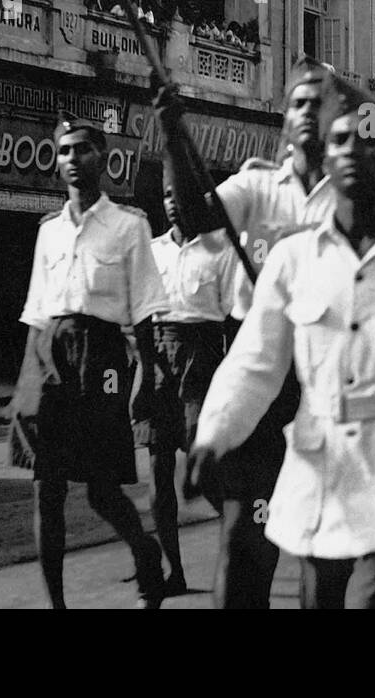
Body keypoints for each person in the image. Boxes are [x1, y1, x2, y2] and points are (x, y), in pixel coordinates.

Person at [187, 74, 375, 609]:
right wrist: (214, 435)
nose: (352, 151)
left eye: (367, 139)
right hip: (321, 473)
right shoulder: (292, 260)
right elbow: (255, 363)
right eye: (340, 139)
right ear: (324, 156)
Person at [186, 55, 337, 609]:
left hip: (327, 376)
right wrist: (176, 134)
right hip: (261, 369)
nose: (306, 114)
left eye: (318, 105)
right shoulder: (255, 186)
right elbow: (199, 218)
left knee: (322, 542)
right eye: (297, 103)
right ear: (285, 118)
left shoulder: (355, 199)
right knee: (245, 536)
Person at [8, 116, 170, 609]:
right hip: (49, 356)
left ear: (104, 159)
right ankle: (56, 605)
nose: (73, 160)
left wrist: (144, 379)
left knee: (102, 490)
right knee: (47, 487)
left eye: (83, 150)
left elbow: (143, 311)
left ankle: (146, 555)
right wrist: (23, 386)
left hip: (100, 360)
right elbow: (37, 312)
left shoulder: (129, 227)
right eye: (64, 152)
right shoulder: (48, 232)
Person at [136, 152, 252, 597]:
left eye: (180, 195)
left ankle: (244, 551)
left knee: (208, 474)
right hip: (158, 365)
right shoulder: (152, 251)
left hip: (202, 362)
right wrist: (144, 371)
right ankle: (173, 572)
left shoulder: (222, 250)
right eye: (166, 195)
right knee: (158, 473)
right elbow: (141, 316)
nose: (172, 203)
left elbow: (233, 323)